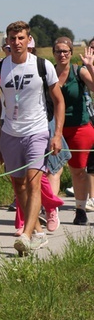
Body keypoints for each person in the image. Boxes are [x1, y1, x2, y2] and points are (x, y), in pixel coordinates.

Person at [0, 21, 64, 257]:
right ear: (8, 41)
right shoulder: (0, 66)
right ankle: (37, 230)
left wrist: (58, 134)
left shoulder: (42, 66)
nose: (17, 42)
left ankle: (27, 235)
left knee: (33, 182)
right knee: (18, 185)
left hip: (37, 130)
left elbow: (59, 101)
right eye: (12, 38)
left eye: (21, 38)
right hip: (11, 132)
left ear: (28, 40)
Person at [51, 37, 94, 225]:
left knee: (78, 171)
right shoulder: (48, 72)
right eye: (58, 51)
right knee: (53, 169)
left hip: (79, 128)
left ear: (70, 53)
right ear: (53, 53)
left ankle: (80, 209)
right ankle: (51, 211)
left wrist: (90, 67)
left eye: (65, 51)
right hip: (54, 128)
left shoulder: (79, 71)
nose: (62, 55)